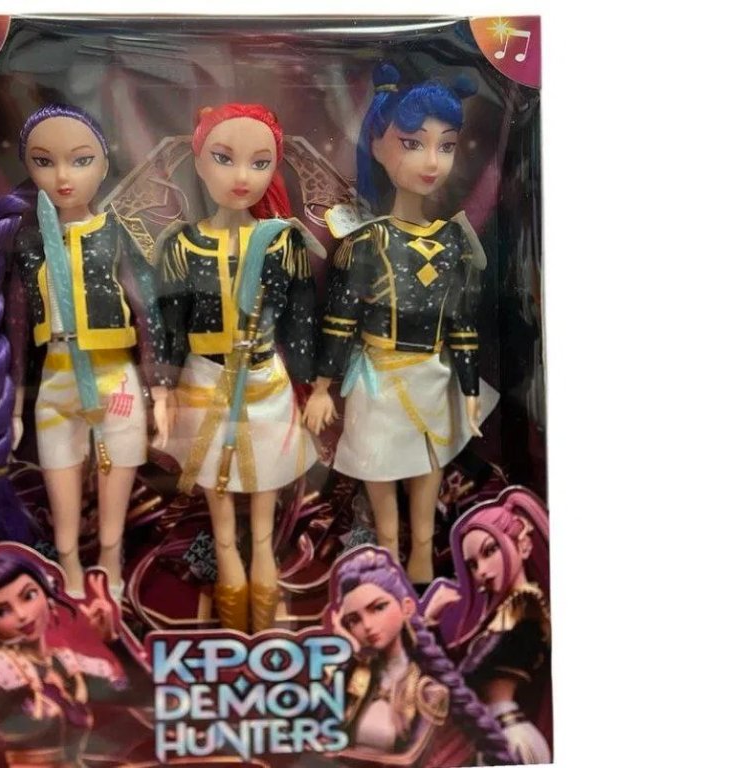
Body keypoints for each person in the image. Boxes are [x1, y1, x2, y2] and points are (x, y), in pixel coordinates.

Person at [0, 104, 171, 598]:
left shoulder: (116, 233)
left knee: (116, 484)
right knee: (60, 489)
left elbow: (146, 308)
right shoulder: (31, 243)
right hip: (57, 378)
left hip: (114, 377)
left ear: (104, 165)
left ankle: (111, 560)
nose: (63, 177)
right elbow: (17, 324)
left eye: (81, 160)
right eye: (45, 162)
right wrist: (12, 403)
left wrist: (161, 390)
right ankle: (68, 566)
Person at [304, 62, 486, 586]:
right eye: (413, 143)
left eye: (446, 146)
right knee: (380, 466)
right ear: (379, 146)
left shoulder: (452, 240)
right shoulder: (367, 241)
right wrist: (322, 386)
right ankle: (388, 554)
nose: (432, 161)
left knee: (429, 463)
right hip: (379, 378)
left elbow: (461, 321)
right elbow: (340, 319)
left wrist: (469, 388)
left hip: (433, 373)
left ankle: (423, 557)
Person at [157, 102, 319, 632]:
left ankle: (264, 577)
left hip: (267, 382)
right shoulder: (182, 244)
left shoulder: (283, 241)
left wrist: (316, 386)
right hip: (204, 382)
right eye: (224, 159)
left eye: (260, 162)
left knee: (265, 509)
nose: (242, 176)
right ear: (198, 162)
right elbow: (169, 322)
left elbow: (300, 322)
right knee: (220, 509)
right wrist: (162, 388)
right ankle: (229, 574)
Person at [326, 547, 513, 766]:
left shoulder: (426, 689)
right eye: (353, 620)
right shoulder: (359, 676)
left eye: (378, 608)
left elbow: (411, 759)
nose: (367, 625)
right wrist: (346, 652)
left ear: (406, 608)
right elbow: (319, 728)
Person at [0, 544, 122, 768]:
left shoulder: (69, 664)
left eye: (29, 595)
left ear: (47, 593)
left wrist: (112, 640)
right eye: (1, 612)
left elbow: (145, 695)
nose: (22, 615)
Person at [422, 487, 551, 763]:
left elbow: (463, 681)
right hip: (499, 736)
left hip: (511, 742)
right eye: (472, 564)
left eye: (490, 551)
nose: (481, 571)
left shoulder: (524, 607)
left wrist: (429, 623)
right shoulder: (508, 613)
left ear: (523, 545)